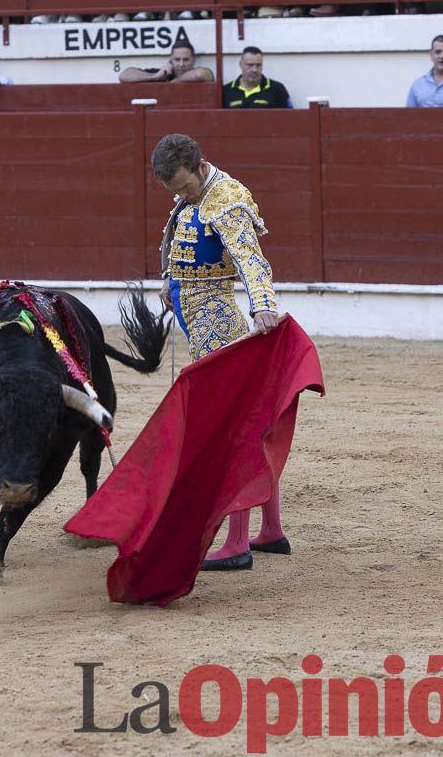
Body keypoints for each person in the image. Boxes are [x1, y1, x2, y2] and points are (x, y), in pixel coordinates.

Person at [153, 133, 287, 571]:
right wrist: (169, 280)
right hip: (197, 312)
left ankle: (236, 542)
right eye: (175, 190)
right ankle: (270, 530)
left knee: (231, 430)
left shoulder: (226, 198)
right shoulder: (196, 193)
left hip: (217, 317)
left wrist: (264, 307)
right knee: (249, 425)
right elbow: (184, 242)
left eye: (184, 186)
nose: (182, 194)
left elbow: (252, 260)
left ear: (199, 164)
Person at [223, 46, 291, 109]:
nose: (254, 70)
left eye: (258, 65)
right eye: (250, 65)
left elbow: (289, 118)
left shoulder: (277, 89)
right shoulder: (226, 91)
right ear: (240, 64)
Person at [119, 41, 214, 84]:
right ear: (171, 60)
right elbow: (124, 76)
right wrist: (154, 77)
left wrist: (172, 82)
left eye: (186, 60)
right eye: (177, 60)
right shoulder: (160, 74)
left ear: (194, 60)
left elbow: (200, 75)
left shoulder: (197, 72)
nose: (181, 64)